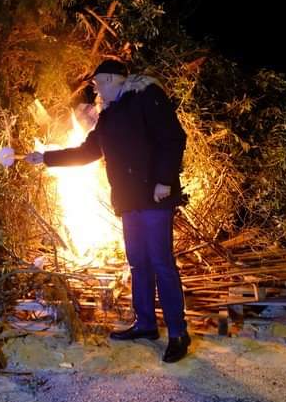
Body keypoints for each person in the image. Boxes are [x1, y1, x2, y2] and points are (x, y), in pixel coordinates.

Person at [25, 60, 190, 363]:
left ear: (113, 79)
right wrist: (45, 158)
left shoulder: (147, 97)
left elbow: (173, 138)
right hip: (128, 199)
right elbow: (87, 152)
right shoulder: (109, 115)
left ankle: (178, 332)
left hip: (154, 195)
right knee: (138, 263)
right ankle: (146, 324)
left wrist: (164, 181)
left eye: (99, 83)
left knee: (162, 263)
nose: (96, 89)